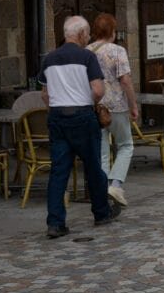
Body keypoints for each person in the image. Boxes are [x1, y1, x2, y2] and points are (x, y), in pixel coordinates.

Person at [39, 15, 120, 239]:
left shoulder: (49, 59)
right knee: (93, 166)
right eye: (86, 34)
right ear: (82, 34)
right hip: (82, 114)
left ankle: (55, 223)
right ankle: (101, 212)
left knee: (59, 171)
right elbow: (98, 89)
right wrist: (88, 102)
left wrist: (55, 105)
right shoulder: (87, 57)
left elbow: (45, 94)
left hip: (57, 116)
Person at [87, 13, 139, 206]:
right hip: (116, 106)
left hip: (95, 106)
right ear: (112, 32)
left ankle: (101, 191)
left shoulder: (87, 51)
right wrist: (133, 105)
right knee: (125, 145)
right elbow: (125, 80)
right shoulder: (118, 51)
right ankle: (115, 185)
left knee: (101, 151)